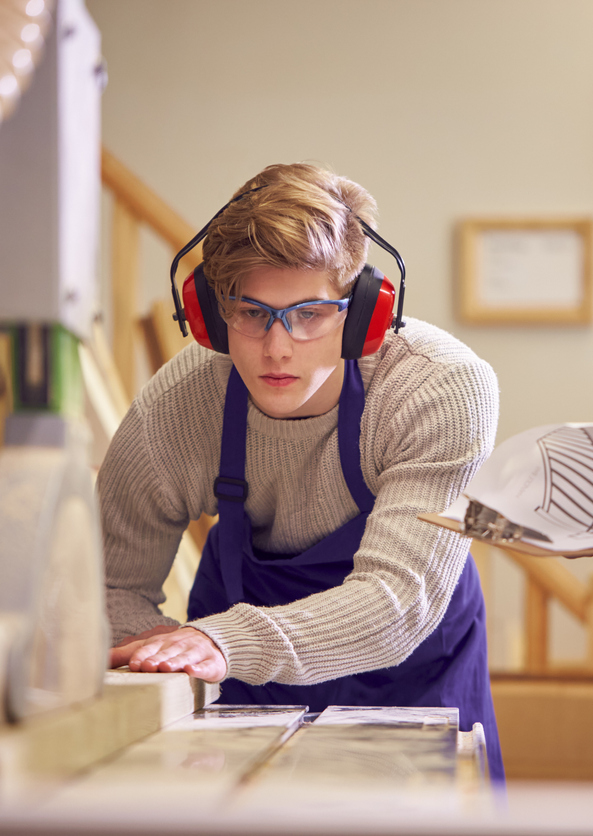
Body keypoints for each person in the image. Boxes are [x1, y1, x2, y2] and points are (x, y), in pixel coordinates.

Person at [98, 162, 504, 780]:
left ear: (364, 312)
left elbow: (394, 604)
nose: (277, 347)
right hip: (239, 682)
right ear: (209, 314)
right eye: (251, 313)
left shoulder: (439, 387)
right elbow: (108, 586)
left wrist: (223, 642)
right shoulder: (181, 406)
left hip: (412, 678)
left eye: (310, 313)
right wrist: (163, 658)